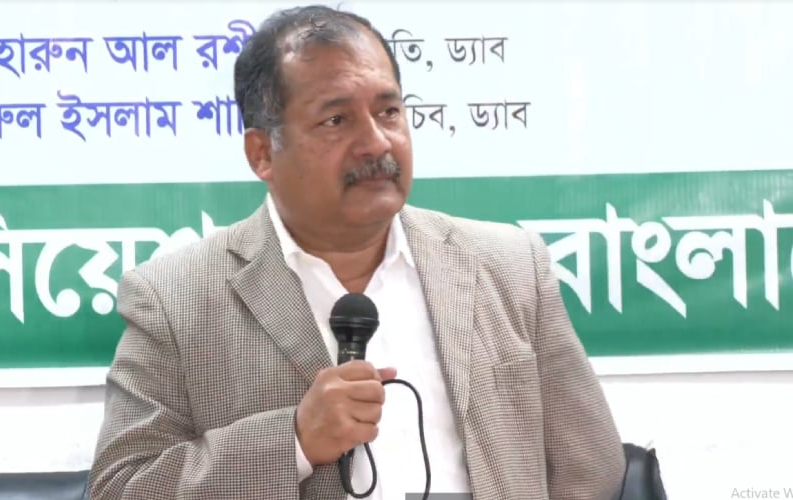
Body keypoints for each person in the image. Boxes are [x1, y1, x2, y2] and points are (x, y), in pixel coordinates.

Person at [88, 4, 626, 499]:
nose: (376, 143)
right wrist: (294, 441)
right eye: (336, 120)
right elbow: (122, 488)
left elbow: (590, 464)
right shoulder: (175, 299)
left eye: (389, 112)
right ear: (262, 153)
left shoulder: (509, 265)